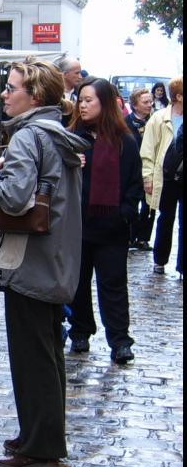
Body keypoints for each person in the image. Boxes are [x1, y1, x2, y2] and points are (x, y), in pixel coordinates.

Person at [0, 57, 90, 467]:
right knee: (45, 355)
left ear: (36, 95)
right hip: (52, 261)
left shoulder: (29, 138)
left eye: (12, 88)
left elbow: (13, 198)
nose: (5, 94)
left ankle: (40, 449)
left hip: (28, 263)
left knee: (32, 359)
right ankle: (38, 435)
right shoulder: (56, 135)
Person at [67, 78, 143, 365]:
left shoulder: (124, 140)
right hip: (79, 225)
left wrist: (125, 212)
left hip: (112, 228)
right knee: (77, 284)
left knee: (113, 286)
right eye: (80, 100)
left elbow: (133, 183)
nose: (83, 105)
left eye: (89, 100)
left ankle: (120, 341)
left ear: (105, 103)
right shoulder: (73, 138)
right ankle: (80, 331)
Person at [141, 77, 183, 277]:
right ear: (178, 96)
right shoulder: (159, 118)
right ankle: (160, 260)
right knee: (165, 219)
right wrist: (148, 177)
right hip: (165, 177)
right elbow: (148, 150)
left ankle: (182, 265)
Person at [125, 88, 155, 250]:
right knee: (132, 202)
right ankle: (130, 236)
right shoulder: (125, 123)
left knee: (149, 205)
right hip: (132, 170)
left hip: (150, 169)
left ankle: (143, 238)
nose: (149, 105)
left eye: (151, 102)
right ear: (135, 105)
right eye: (145, 102)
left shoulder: (155, 122)